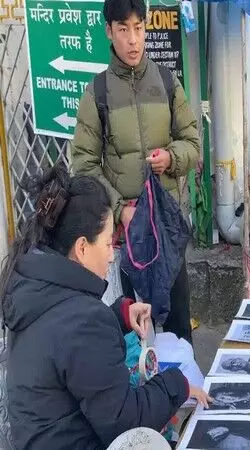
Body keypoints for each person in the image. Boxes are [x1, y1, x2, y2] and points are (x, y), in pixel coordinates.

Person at [0, 165, 211, 449]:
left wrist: (119, 315)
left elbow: (64, 347)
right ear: (82, 247)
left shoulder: (32, 286)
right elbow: (126, 421)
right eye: (108, 244)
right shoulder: (82, 319)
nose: (113, 256)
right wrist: (177, 383)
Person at [71, 0, 201, 343]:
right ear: (109, 31)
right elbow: (83, 166)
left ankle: (183, 393)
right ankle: (142, 394)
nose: (133, 40)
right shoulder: (97, 93)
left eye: (139, 29)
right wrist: (120, 211)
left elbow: (192, 142)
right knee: (136, 327)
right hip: (130, 233)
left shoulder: (167, 82)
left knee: (178, 324)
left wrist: (171, 158)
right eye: (124, 29)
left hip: (167, 227)